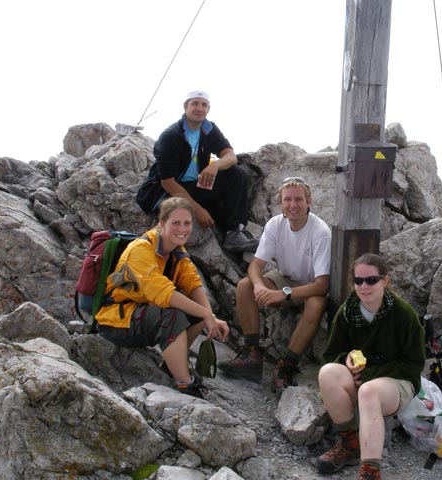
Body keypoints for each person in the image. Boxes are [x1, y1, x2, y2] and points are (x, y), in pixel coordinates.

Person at [95, 196, 230, 398]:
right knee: (172, 317)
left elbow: (192, 283)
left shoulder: (176, 250)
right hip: (115, 320)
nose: (182, 229)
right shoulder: (140, 250)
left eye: (187, 223)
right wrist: (206, 314)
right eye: (176, 223)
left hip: (140, 314)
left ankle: (172, 364)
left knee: (195, 313)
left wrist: (208, 315)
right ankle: (185, 384)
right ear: (161, 224)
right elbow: (164, 294)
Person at [316, 253, 425, 480]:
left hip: (398, 383)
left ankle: (370, 471)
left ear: (385, 280)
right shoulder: (348, 312)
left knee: (369, 391)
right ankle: (350, 442)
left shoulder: (403, 314)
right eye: (358, 281)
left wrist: (368, 375)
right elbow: (331, 353)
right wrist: (345, 360)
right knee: (327, 373)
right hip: (363, 378)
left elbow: (413, 365)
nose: (364, 286)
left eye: (371, 280)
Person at [218, 177, 331, 391]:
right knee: (245, 286)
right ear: (281, 203)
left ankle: (287, 364)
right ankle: (252, 354)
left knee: (316, 304)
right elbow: (255, 266)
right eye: (287, 199)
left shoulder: (320, 232)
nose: (293, 205)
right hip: (285, 277)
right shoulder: (275, 224)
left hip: (310, 286)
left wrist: (284, 294)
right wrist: (259, 286)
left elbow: (322, 285)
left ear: (309, 202)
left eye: (298, 199)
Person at [142, 89, 258, 253]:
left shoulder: (208, 129)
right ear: (185, 106)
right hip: (167, 192)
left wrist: (214, 166)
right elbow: (168, 182)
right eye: (195, 103)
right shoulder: (171, 136)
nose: (199, 108)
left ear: (208, 109)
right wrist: (198, 210)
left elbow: (231, 156)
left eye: (204, 105)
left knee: (237, 174)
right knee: (213, 207)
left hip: (195, 185)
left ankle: (234, 234)